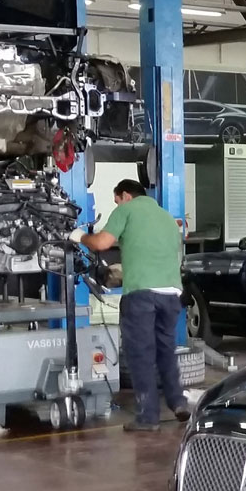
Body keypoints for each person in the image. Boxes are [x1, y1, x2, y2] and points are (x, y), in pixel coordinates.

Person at [76, 180, 186, 432]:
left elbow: (102, 243)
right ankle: (178, 403)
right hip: (171, 294)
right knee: (165, 350)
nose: (116, 204)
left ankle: (148, 417)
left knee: (141, 355)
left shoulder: (127, 209)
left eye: (116, 200)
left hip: (142, 295)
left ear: (125, 195)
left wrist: (80, 237)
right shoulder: (167, 218)